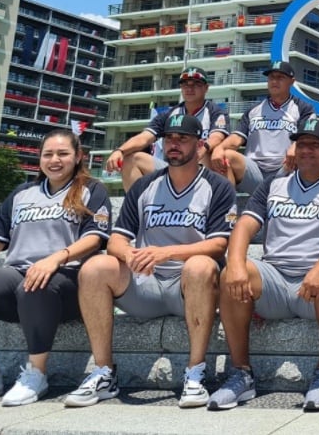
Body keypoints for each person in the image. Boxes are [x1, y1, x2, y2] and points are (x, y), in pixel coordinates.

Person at [66, 114, 235, 409]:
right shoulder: (146, 185)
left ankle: (195, 373)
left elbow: (220, 244)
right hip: (147, 284)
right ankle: (104, 372)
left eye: (183, 139)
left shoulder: (218, 187)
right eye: (170, 138)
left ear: (199, 147)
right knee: (95, 267)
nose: (174, 144)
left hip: (190, 288)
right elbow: (117, 239)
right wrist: (130, 255)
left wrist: (165, 252)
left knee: (201, 265)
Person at [208, 117, 319, 411]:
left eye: (315, 145)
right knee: (232, 272)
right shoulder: (274, 184)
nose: (307, 151)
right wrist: (238, 262)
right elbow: (243, 226)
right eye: (302, 144)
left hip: (316, 285)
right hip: (275, 281)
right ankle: (241, 374)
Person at [0, 130, 111, 407]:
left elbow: (95, 238)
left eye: (63, 154)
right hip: (19, 273)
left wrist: (56, 258)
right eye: (48, 154)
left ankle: (36, 373)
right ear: (40, 158)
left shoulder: (91, 190)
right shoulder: (23, 193)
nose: (54, 160)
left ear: (78, 156)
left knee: (34, 284)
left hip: (67, 279)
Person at [104, 66, 230, 191]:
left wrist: (204, 148)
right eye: (185, 84)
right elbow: (144, 138)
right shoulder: (169, 114)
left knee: (210, 154)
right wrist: (120, 151)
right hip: (172, 167)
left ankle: (213, 203)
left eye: (196, 84)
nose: (190, 88)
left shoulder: (215, 112)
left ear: (206, 88)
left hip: (199, 168)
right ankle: (139, 208)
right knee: (131, 159)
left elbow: (217, 136)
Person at [210, 61, 314, 194]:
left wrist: (296, 146)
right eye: (271, 77)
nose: (274, 81)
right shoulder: (253, 111)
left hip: (286, 169)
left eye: (280, 77)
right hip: (255, 172)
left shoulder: (303, 108)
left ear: (292, 81)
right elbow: (236, 139)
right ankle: (230, 210)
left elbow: (308, 135)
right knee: (225, 157)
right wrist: (219, 148)